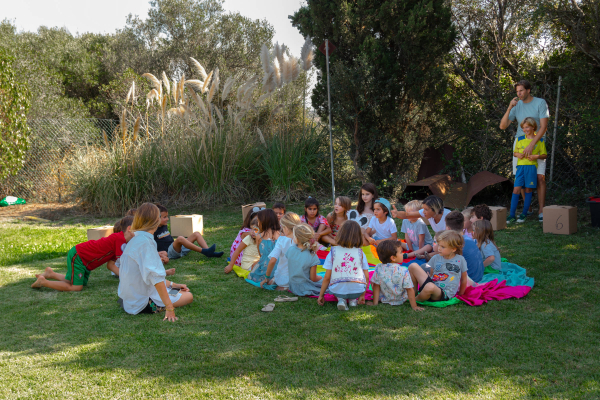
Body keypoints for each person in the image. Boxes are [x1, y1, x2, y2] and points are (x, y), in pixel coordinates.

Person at [117, 203, 193, 320]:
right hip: (140, 303)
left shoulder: (135, 240)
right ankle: (161, 304)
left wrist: (174, 285)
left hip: (128, 300)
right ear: (156, 220)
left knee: (175, 291)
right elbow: (155, 278)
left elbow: (149, 275)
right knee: (188, 296)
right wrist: (169, 308)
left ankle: (171, 292)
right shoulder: (145, 242)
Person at [31, 216, 134, 291]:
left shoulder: (120, 241)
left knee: (78, 282)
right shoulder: (120, 239)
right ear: (129, 229)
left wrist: (126, 278)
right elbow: (124, 262)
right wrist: (131, 279)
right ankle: (44, 282)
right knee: (76, 287)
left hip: (84, 261)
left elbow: (110, 265)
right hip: (79, 256)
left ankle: (51, 274)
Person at [500, 80, 550, 222]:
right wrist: (510, 107)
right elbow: (503, 126)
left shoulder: (540, 103)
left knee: (540, 177)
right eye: (517, 91)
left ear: (528, 90)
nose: (519, 94)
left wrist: (532, 144)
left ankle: (541, 211)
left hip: (537, 143)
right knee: (519, 178)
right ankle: (527, 209)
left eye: (521, 91)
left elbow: (543, 127)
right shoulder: (517, 105)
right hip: (520, 144)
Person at [318, 220, 370, 311]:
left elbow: (327, 277)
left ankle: (341, 299)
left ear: (340, 234)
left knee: (337, 286)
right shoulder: (360, 253)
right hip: (357, 290)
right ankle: (353, 300)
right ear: (358, 236)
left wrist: (321, 295)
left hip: (337, 290)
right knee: (353, 286)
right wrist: (362, 295)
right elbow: (367, 277)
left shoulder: (333, 251)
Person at [408, 230, 468, 302]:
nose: (439, 248)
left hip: (443, 293)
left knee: (430, 287)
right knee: (412, 266)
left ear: (453, 249)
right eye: (438, 244)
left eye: (443, 247)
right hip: (431, 286)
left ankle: (413, 300)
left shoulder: (460, 260)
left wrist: (460, 295)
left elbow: (464, 279)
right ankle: (413, 293)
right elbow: (431, 274)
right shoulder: (435, 258)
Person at [508, 118, 547, 223]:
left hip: (531, 168)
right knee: (516, 189)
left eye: (527, 127)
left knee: (528, 190)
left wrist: (535, 156)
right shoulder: (520, 139)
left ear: (533, 127)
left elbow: (544, 155)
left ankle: (524, 214)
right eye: (523, 127)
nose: (525, 129)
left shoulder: (540, 140)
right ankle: (511, 215)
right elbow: (515, 153)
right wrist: (518, 154)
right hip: (520, 168)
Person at [368, 240, 423, 310]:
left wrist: (374, 303)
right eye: (400, 252)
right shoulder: (403, 270)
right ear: (393, 258)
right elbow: (409, 289)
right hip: (402, 300)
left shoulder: (378, 268)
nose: (402, 254)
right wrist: (414, 306)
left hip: (383, 299)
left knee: (374, 282)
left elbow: (376, 285)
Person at [154, 204, 223, 260]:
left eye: (167, 216)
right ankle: (204, 251)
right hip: (168, 252)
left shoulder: (163, 225)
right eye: (164, 217)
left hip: (177, 248)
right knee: (180, 238)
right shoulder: (153, 230)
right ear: (157, 218)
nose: (167, 219)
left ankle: (209, 252)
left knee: (196, 234)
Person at [260, 212, 302, 290]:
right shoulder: (303, 240)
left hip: (284, 276)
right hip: (301, 277)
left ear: (285, 227)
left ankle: (285, 287)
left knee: (275, 283)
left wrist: (267, 277)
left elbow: (273, 260)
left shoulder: (281, 240)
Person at [444, 211, 484, 282]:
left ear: (448, 228)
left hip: (468, 281)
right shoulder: (469, 239)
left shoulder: (454, 244)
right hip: (479, 277)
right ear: (463, 226)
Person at [286, 223, 323, 297]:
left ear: (297, 238)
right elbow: (313, 279)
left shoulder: (290, 250)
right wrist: (321, 277)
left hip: (292, 286)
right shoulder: (312, 255)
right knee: (326, 279)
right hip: (304, 287)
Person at [246, 209, 281, 284]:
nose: (258, 224)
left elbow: (260, 254)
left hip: (264, 268)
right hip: (279, 268)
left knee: (252, 273)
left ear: (263, 222)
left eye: (258, 221)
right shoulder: (281, 235)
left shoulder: (259, 237)